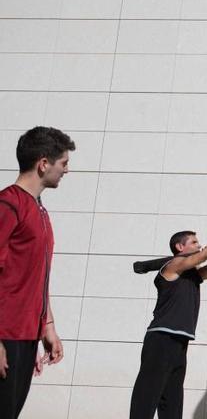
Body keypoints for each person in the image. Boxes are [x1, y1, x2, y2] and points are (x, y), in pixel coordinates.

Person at [129, 232, 207, 419]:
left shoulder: (192, 275)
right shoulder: (173, 265)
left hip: (179, 340)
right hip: (161, 337)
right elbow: (206, 254)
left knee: (172, 397)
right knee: (148, 392)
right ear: (180, 247)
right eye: (194, 242)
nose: (198, 245)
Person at [0, 126, 75, 419]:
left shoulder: (39, 211)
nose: (67, 171)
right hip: (6, 332)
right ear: (43, 163)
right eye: (63, 163)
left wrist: (48, 326)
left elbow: (37, 275)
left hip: (26, 334)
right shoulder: (9, 204)